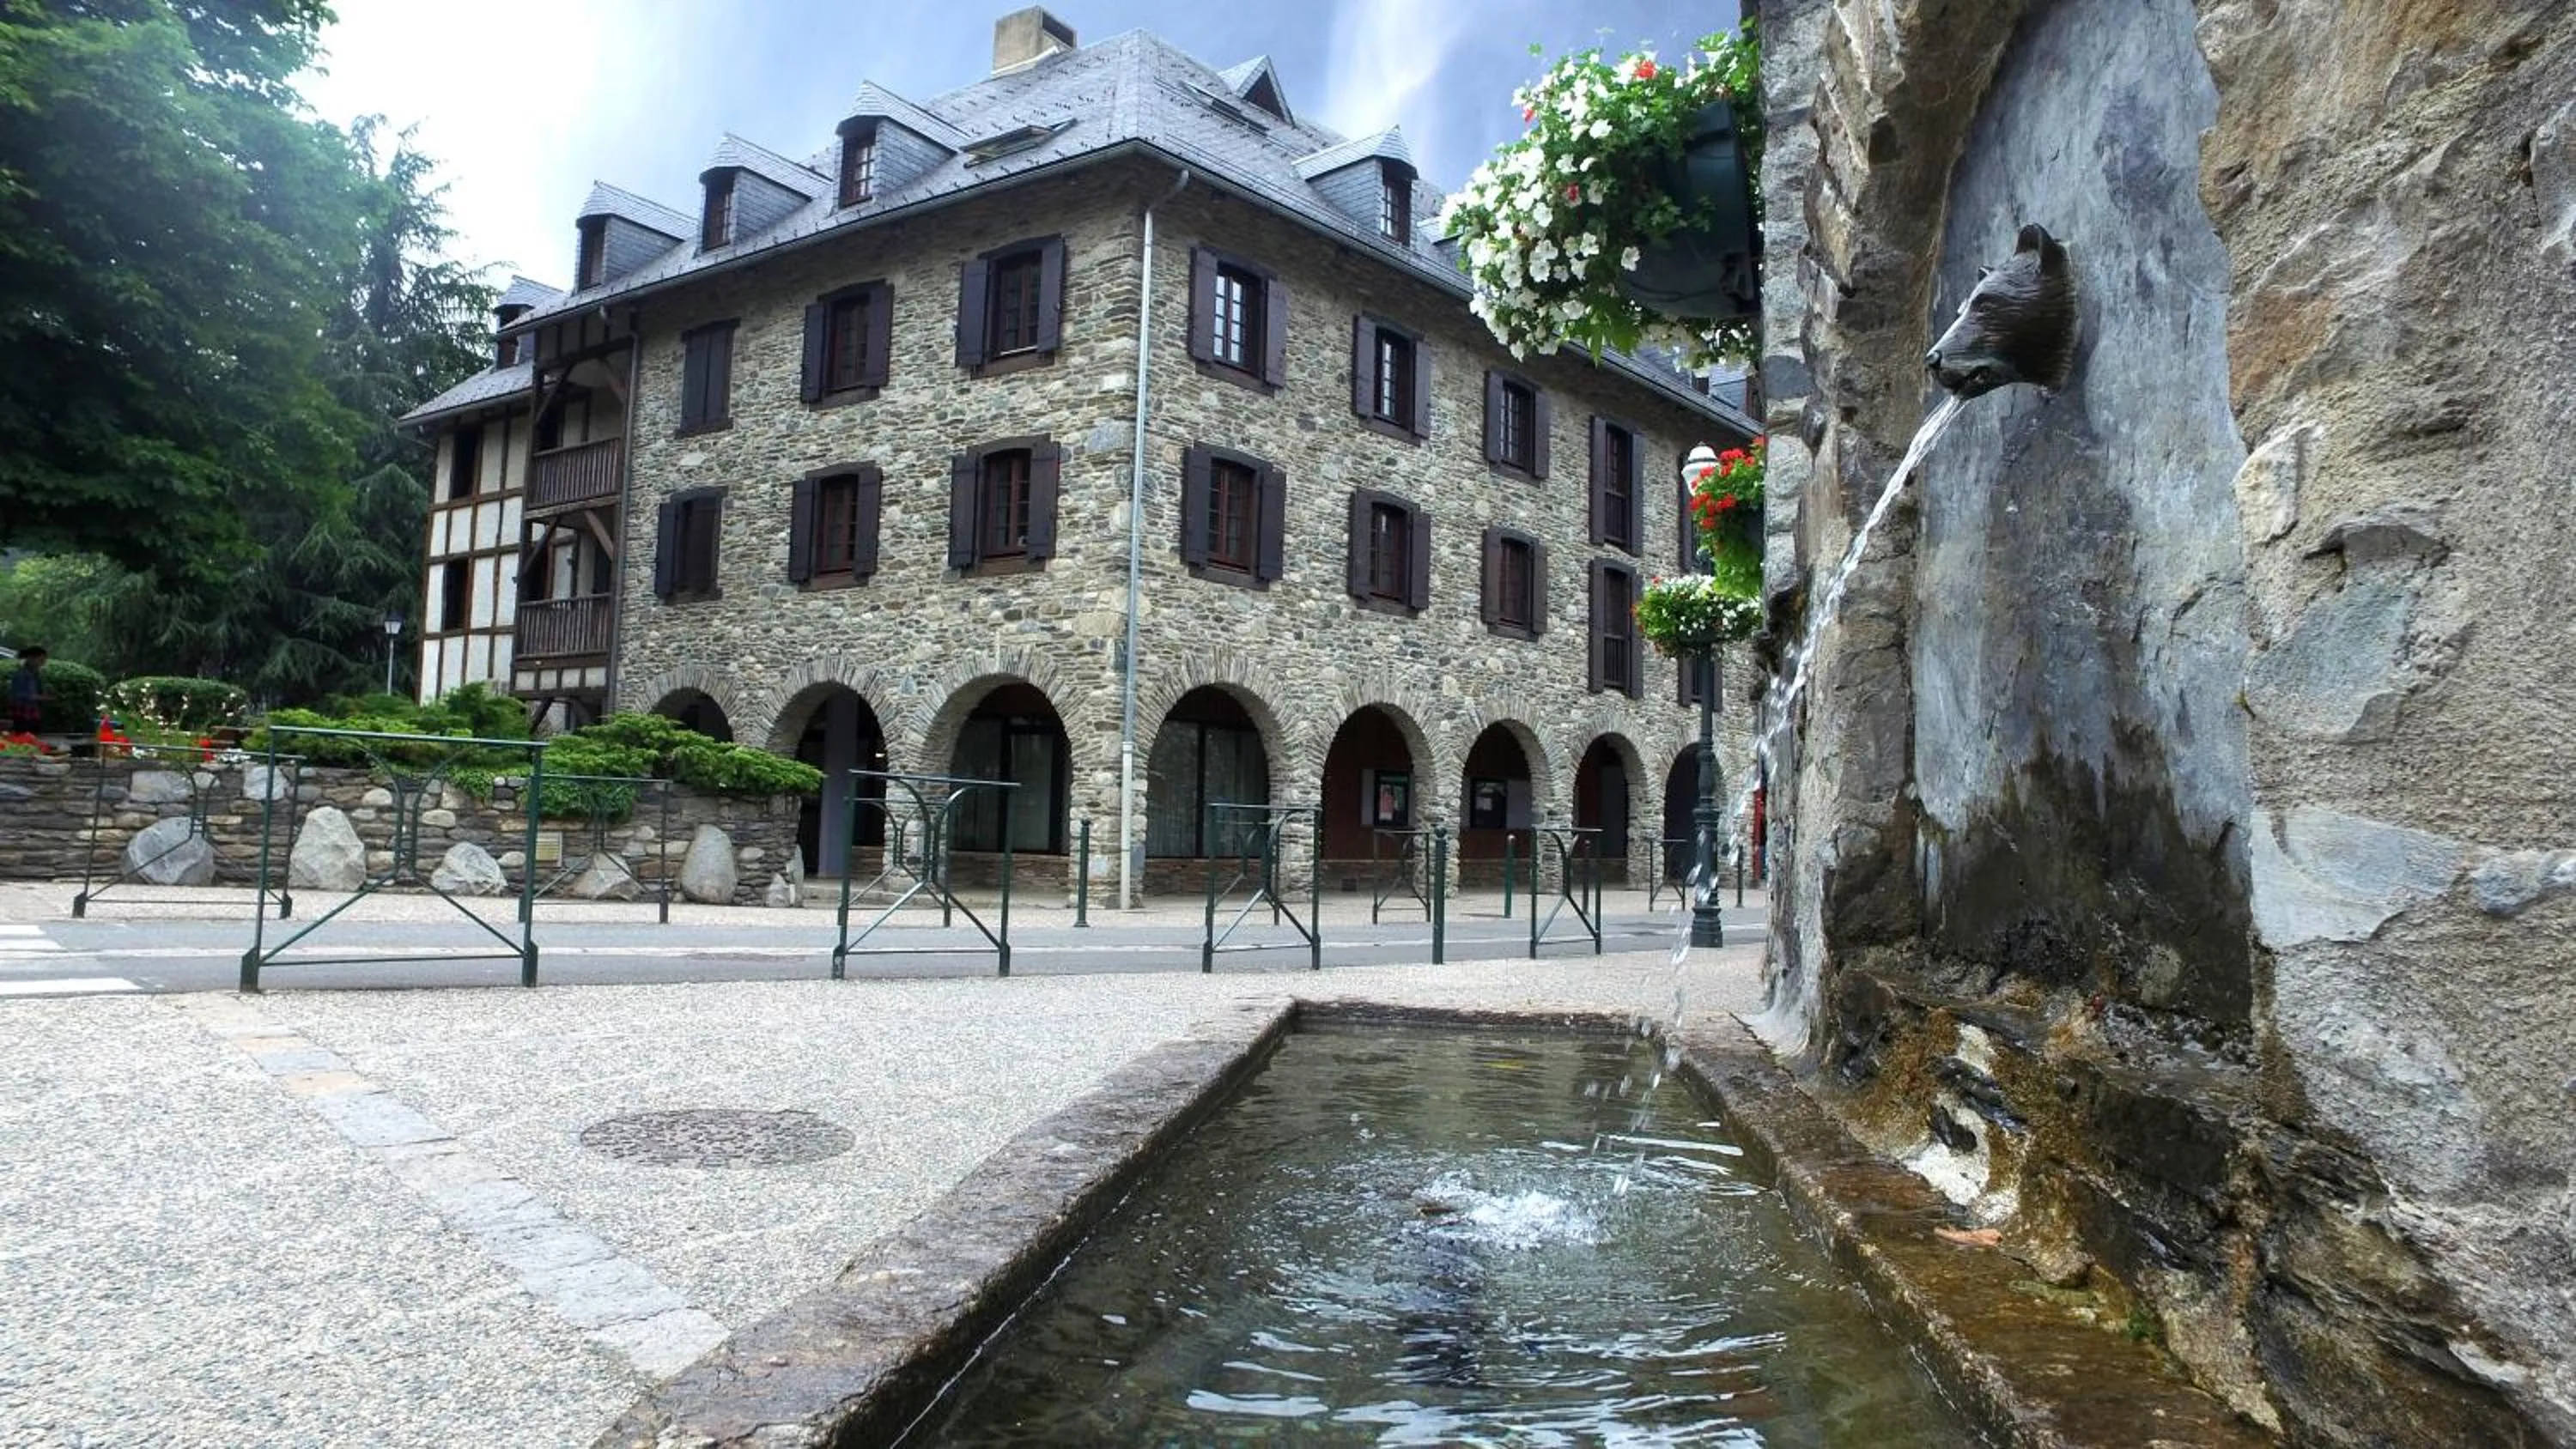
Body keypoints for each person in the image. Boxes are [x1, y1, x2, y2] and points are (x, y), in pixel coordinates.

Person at [6, 646, 46, 735]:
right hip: (23, 715)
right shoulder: (21, 675)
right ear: (31, 659)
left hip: (34, 714)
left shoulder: (36, 674)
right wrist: (40, 697)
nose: (43, 663)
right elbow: (17, 695)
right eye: (41, 660)